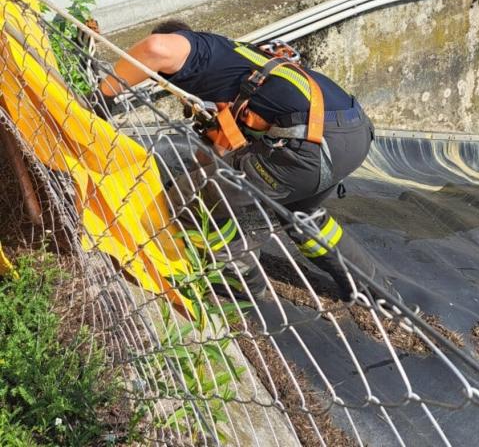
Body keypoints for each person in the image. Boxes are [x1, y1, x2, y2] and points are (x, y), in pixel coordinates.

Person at [99, 20, 399, 304]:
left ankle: (241, 284)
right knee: (300, 213)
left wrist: (101, 100)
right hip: (351, 133)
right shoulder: (242, 65)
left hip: (312, 143)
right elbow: (222, 152)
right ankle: (379, 294)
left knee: (192, 199)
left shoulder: (201, 52)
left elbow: (155, 49)